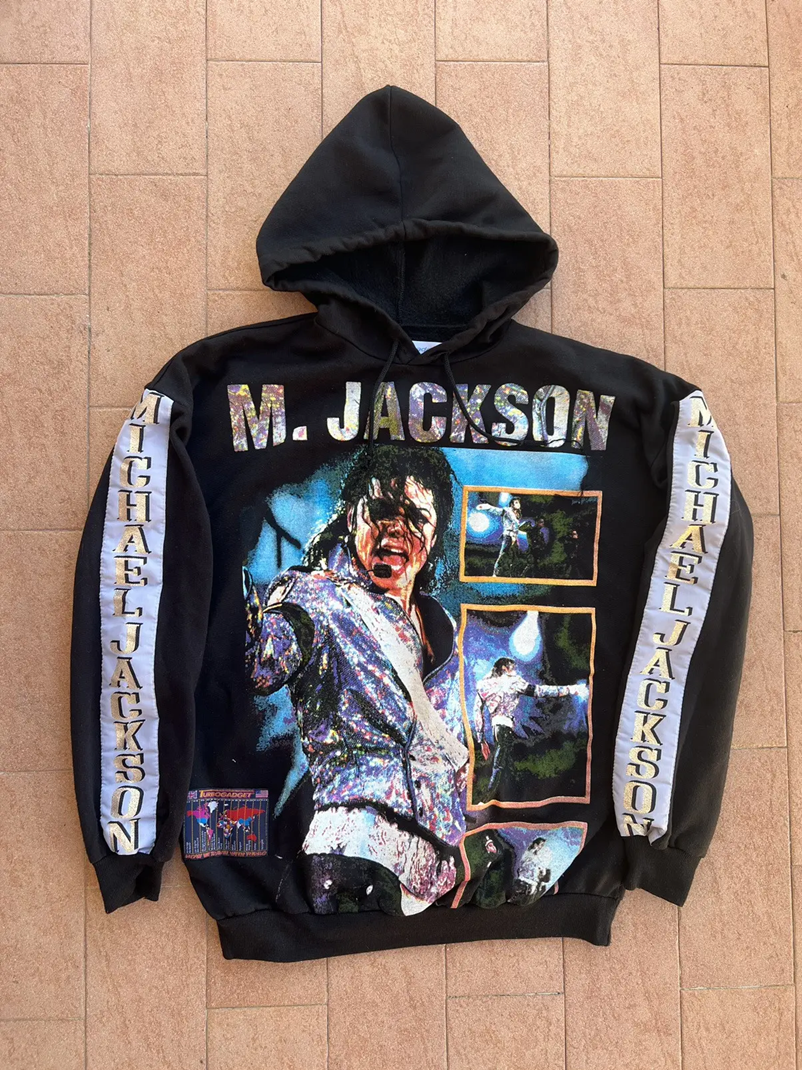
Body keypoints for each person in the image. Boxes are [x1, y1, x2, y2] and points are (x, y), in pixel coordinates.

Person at [243, 444, 469, 917]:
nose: (396, 529)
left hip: (432, 881)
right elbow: (263, 661)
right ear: (351, 518)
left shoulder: (443, 629)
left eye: (416, 518)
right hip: (354, 855)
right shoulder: (316, 597)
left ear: (435, 536)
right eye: (381, 510)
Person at [473, 657, 584, 798]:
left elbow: (477, 712)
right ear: (505, 669)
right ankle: (487, 797)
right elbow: (540, 691)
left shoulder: (484, 685)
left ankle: (494, 796)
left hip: (497, 729)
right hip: (505, 728)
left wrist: (481, 739)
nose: (515, 671)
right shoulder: (513, 682)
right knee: (500, 766)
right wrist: (569, 689)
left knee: (504, 766)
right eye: (513, 668)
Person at [475, 497, 533, 576]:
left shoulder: (517, 513)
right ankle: (495, 574)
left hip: (514, 537)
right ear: (512, 504)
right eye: (516, 502)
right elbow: (496, 510)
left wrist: (517, 533)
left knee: (514, 556)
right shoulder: (507, 511)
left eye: (518, 502)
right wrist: (487, 506)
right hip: (508, 536)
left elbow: (516, 525)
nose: (518, 504)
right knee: (503, 554)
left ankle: (512, 574)